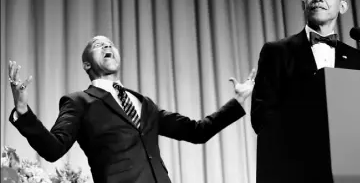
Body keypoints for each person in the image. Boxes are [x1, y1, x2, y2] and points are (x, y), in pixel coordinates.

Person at [8, 35, 256, 183]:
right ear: (86, 64)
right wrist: (23, 110)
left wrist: (237, 103)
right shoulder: (79, 102)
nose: (107, 47)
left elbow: (196, 131)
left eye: (110, 44)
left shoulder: (144, 103)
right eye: (99, 45)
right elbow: (53, 149)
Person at [251, 0, 360, 183]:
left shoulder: (358, 60)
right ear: (304, 3)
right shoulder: (277, 51)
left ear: (343, 6)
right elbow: (262, 116)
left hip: (350, 172)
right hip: (295, 170)